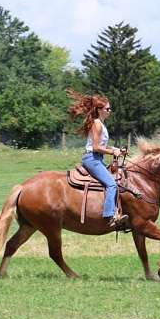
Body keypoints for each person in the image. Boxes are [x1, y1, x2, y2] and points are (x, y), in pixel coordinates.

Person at [67, 89, 129, 228]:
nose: (110, 110)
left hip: (96, 158)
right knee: (112, 184)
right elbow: (96, 147)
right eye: (107, 108)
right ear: (100, 110)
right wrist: (113, 152)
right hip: (92, 159)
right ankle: (110, 216)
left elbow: (102, 146)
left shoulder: (100, 124)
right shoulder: (97, 124)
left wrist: (116, 150)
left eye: (110, 108)